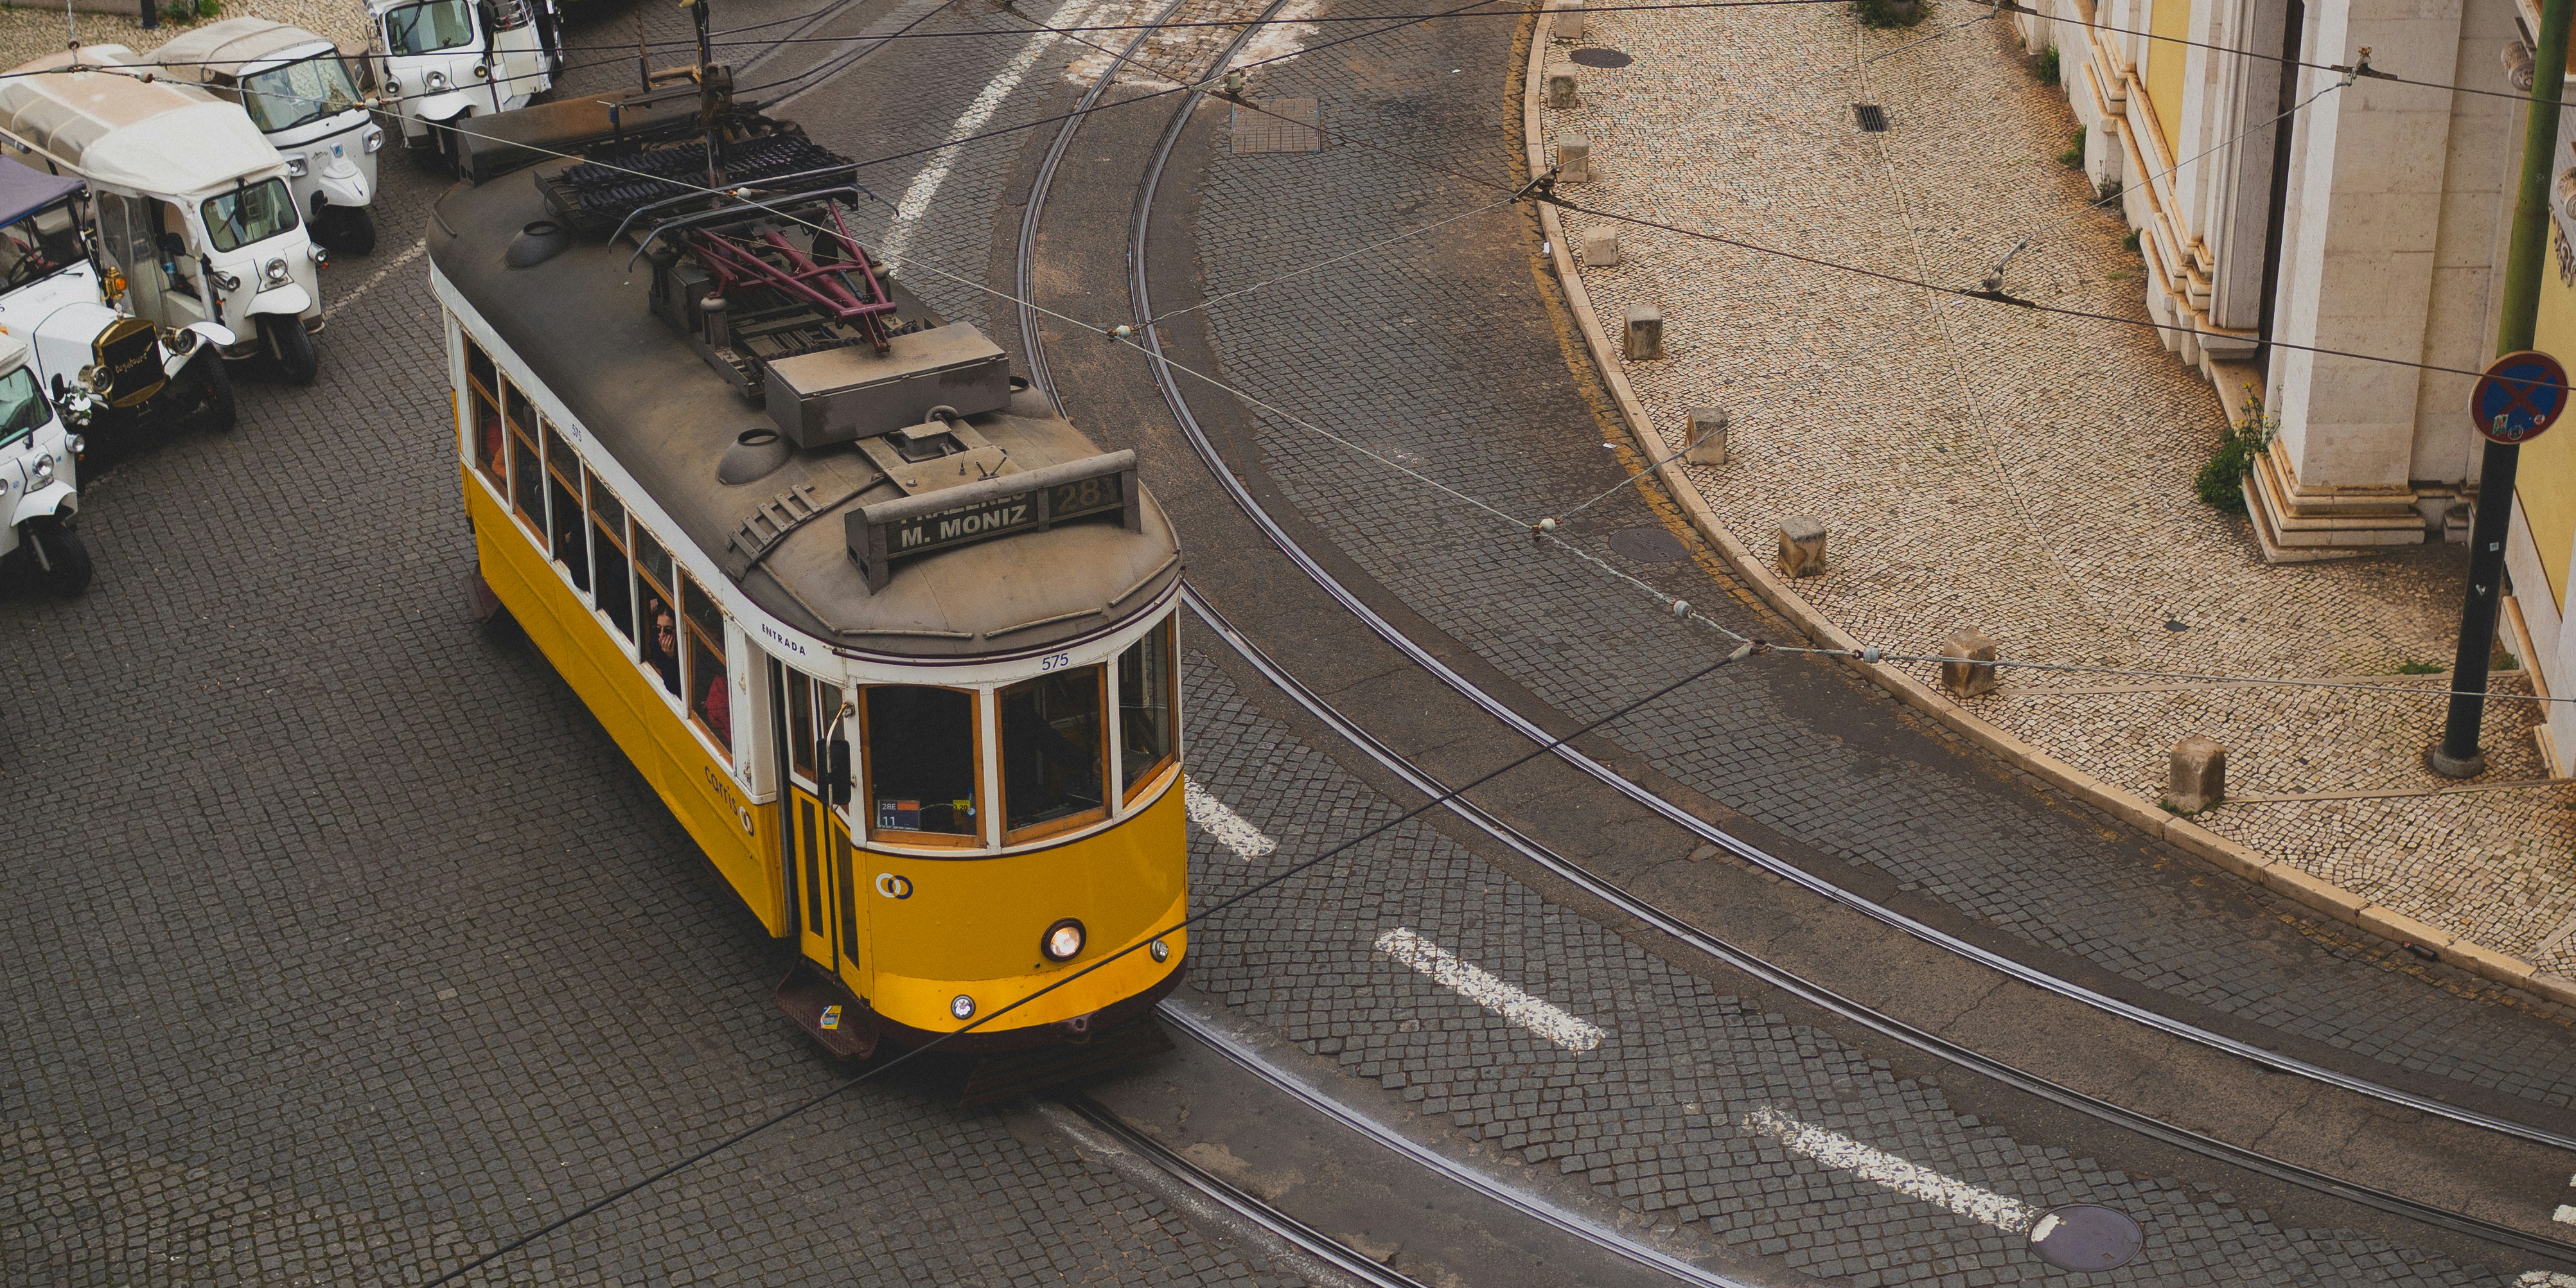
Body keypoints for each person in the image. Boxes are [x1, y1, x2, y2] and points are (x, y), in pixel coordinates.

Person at [642, 597, 680, 695]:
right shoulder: (656, 642)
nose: (662, 634)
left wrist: (674, 657)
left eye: (668, 630)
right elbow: (671, 686)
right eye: (658, 628)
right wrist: (670, 658)